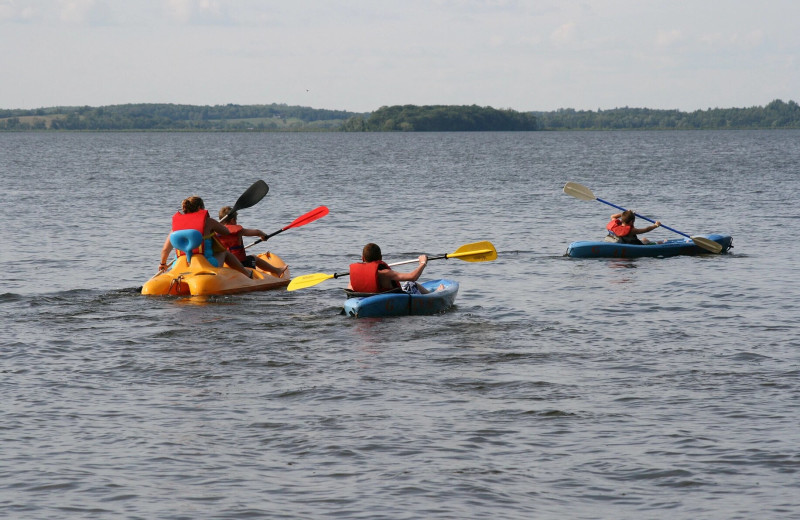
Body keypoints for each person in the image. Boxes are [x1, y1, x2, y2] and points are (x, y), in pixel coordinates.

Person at [159, 196, 252, 277]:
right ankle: (246, 273)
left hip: (180, 265)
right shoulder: (208, 222)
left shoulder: (176, 227)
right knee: (224, 252)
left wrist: (163, 264)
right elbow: (226, 232)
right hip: (206, 264)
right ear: (200, 208)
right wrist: (214, 228)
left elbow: (165, 250)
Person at [215, 206, 287, 277]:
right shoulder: (239, 231)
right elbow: (257, 232)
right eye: (236, 220)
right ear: (232, 220)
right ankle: (277, 271)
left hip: (225, 263)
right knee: (254, 258)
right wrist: (263, 236)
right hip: (241, 263)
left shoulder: (215, 231)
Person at [347, 243, 438, 294]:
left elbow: (350, 289)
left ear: (363, 258)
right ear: (381, 258)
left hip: (366, 298)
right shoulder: (385, 273)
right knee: (411, 283)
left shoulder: (355, 276)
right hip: (388, 298)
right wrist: (423, 263)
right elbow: (413, 277)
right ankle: (434, 294)